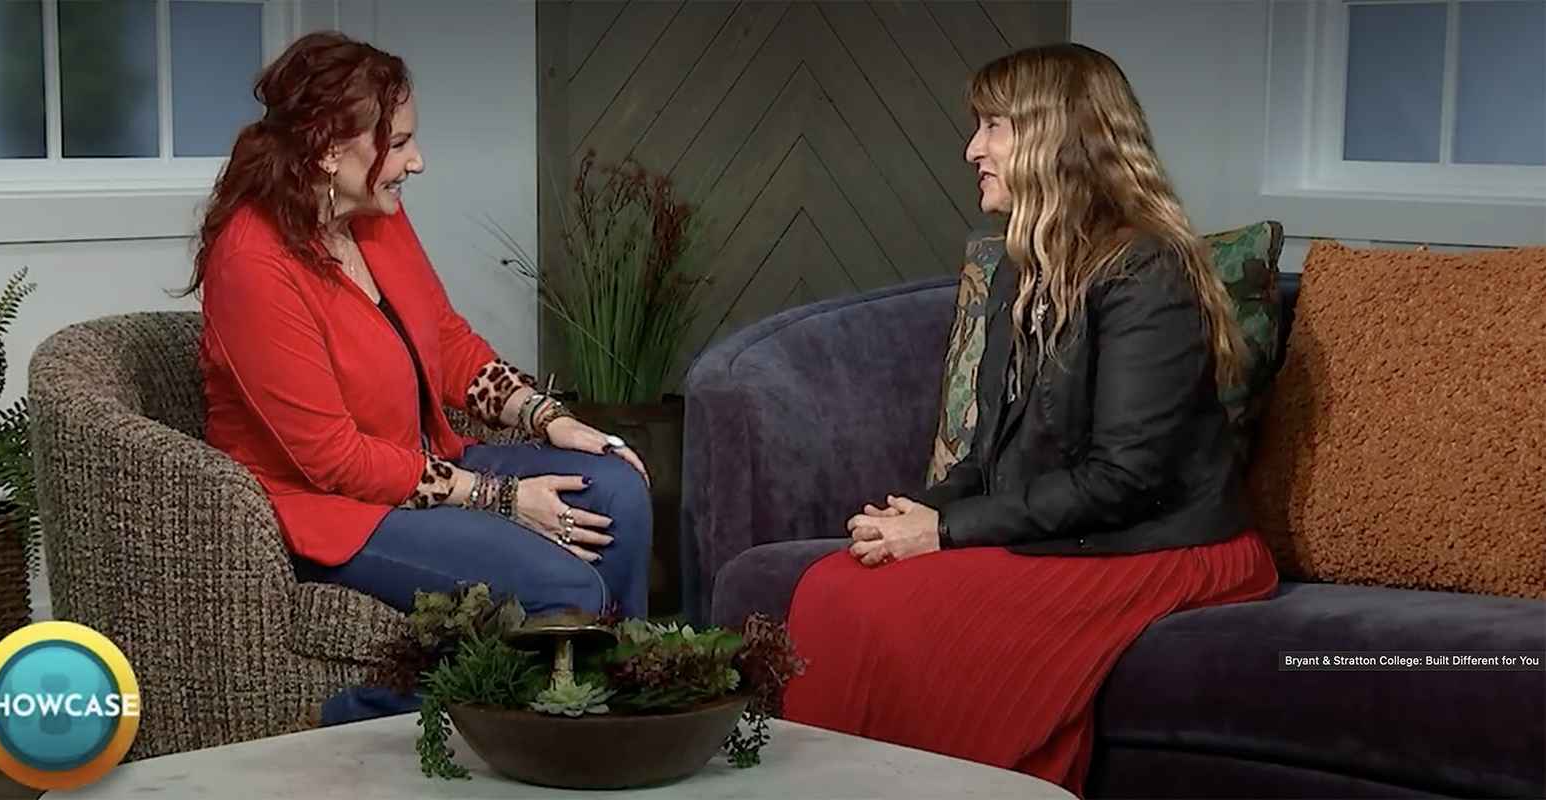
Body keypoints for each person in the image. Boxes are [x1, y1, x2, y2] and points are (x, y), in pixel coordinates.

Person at [778, 44, 1280, 797]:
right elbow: (997, 456)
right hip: (1072, 525)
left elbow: (1124, 480)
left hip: (1164, 544)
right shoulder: (1024, 264)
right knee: (831, 583)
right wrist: (922, 513)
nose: (971, 148)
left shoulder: (1146, 269)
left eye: (994, 126)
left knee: (889, 611)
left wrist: (945, 535)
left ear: (1056, 138)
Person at [187, 32, 654, 723]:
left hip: (421, 465)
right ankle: (372, 718)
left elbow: (448, 343)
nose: (417, 161)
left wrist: (550, 418)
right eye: (399, 143)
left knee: (618, 489)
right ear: (326, 149)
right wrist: (498, 498)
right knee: (561, 585)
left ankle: (601, 712)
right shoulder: (251, 266)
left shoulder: (373, 217)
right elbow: (332, 460)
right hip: (333, 511)